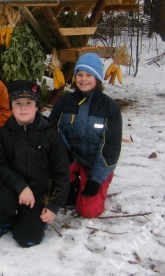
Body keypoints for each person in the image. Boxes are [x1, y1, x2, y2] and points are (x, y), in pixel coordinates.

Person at [0, 80, 69, 247]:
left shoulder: (51, 134)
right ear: (11, 107)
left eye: (28, 103)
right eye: (18, 103)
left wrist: (54, 206)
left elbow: (62, 172)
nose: (23, 108)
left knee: (27, 239)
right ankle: (3, 223)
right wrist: (20, 186)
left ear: (37, 106)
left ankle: (28, 220)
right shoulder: (3, 134)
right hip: (12, 187)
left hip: (38, 192)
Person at [49, 53, 122, 219]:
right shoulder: (65, 102)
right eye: (79, 74)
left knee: (88, 211)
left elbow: (111, 148)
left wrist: (96, 179)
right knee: (62, 198)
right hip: (72, 160)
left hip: (96, 164)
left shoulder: (108, 108)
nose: (83, 79)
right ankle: (72, 182)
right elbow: (53, 130)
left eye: (89, 75)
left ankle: (92, 184)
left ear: (97, 78)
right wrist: (63, 154)